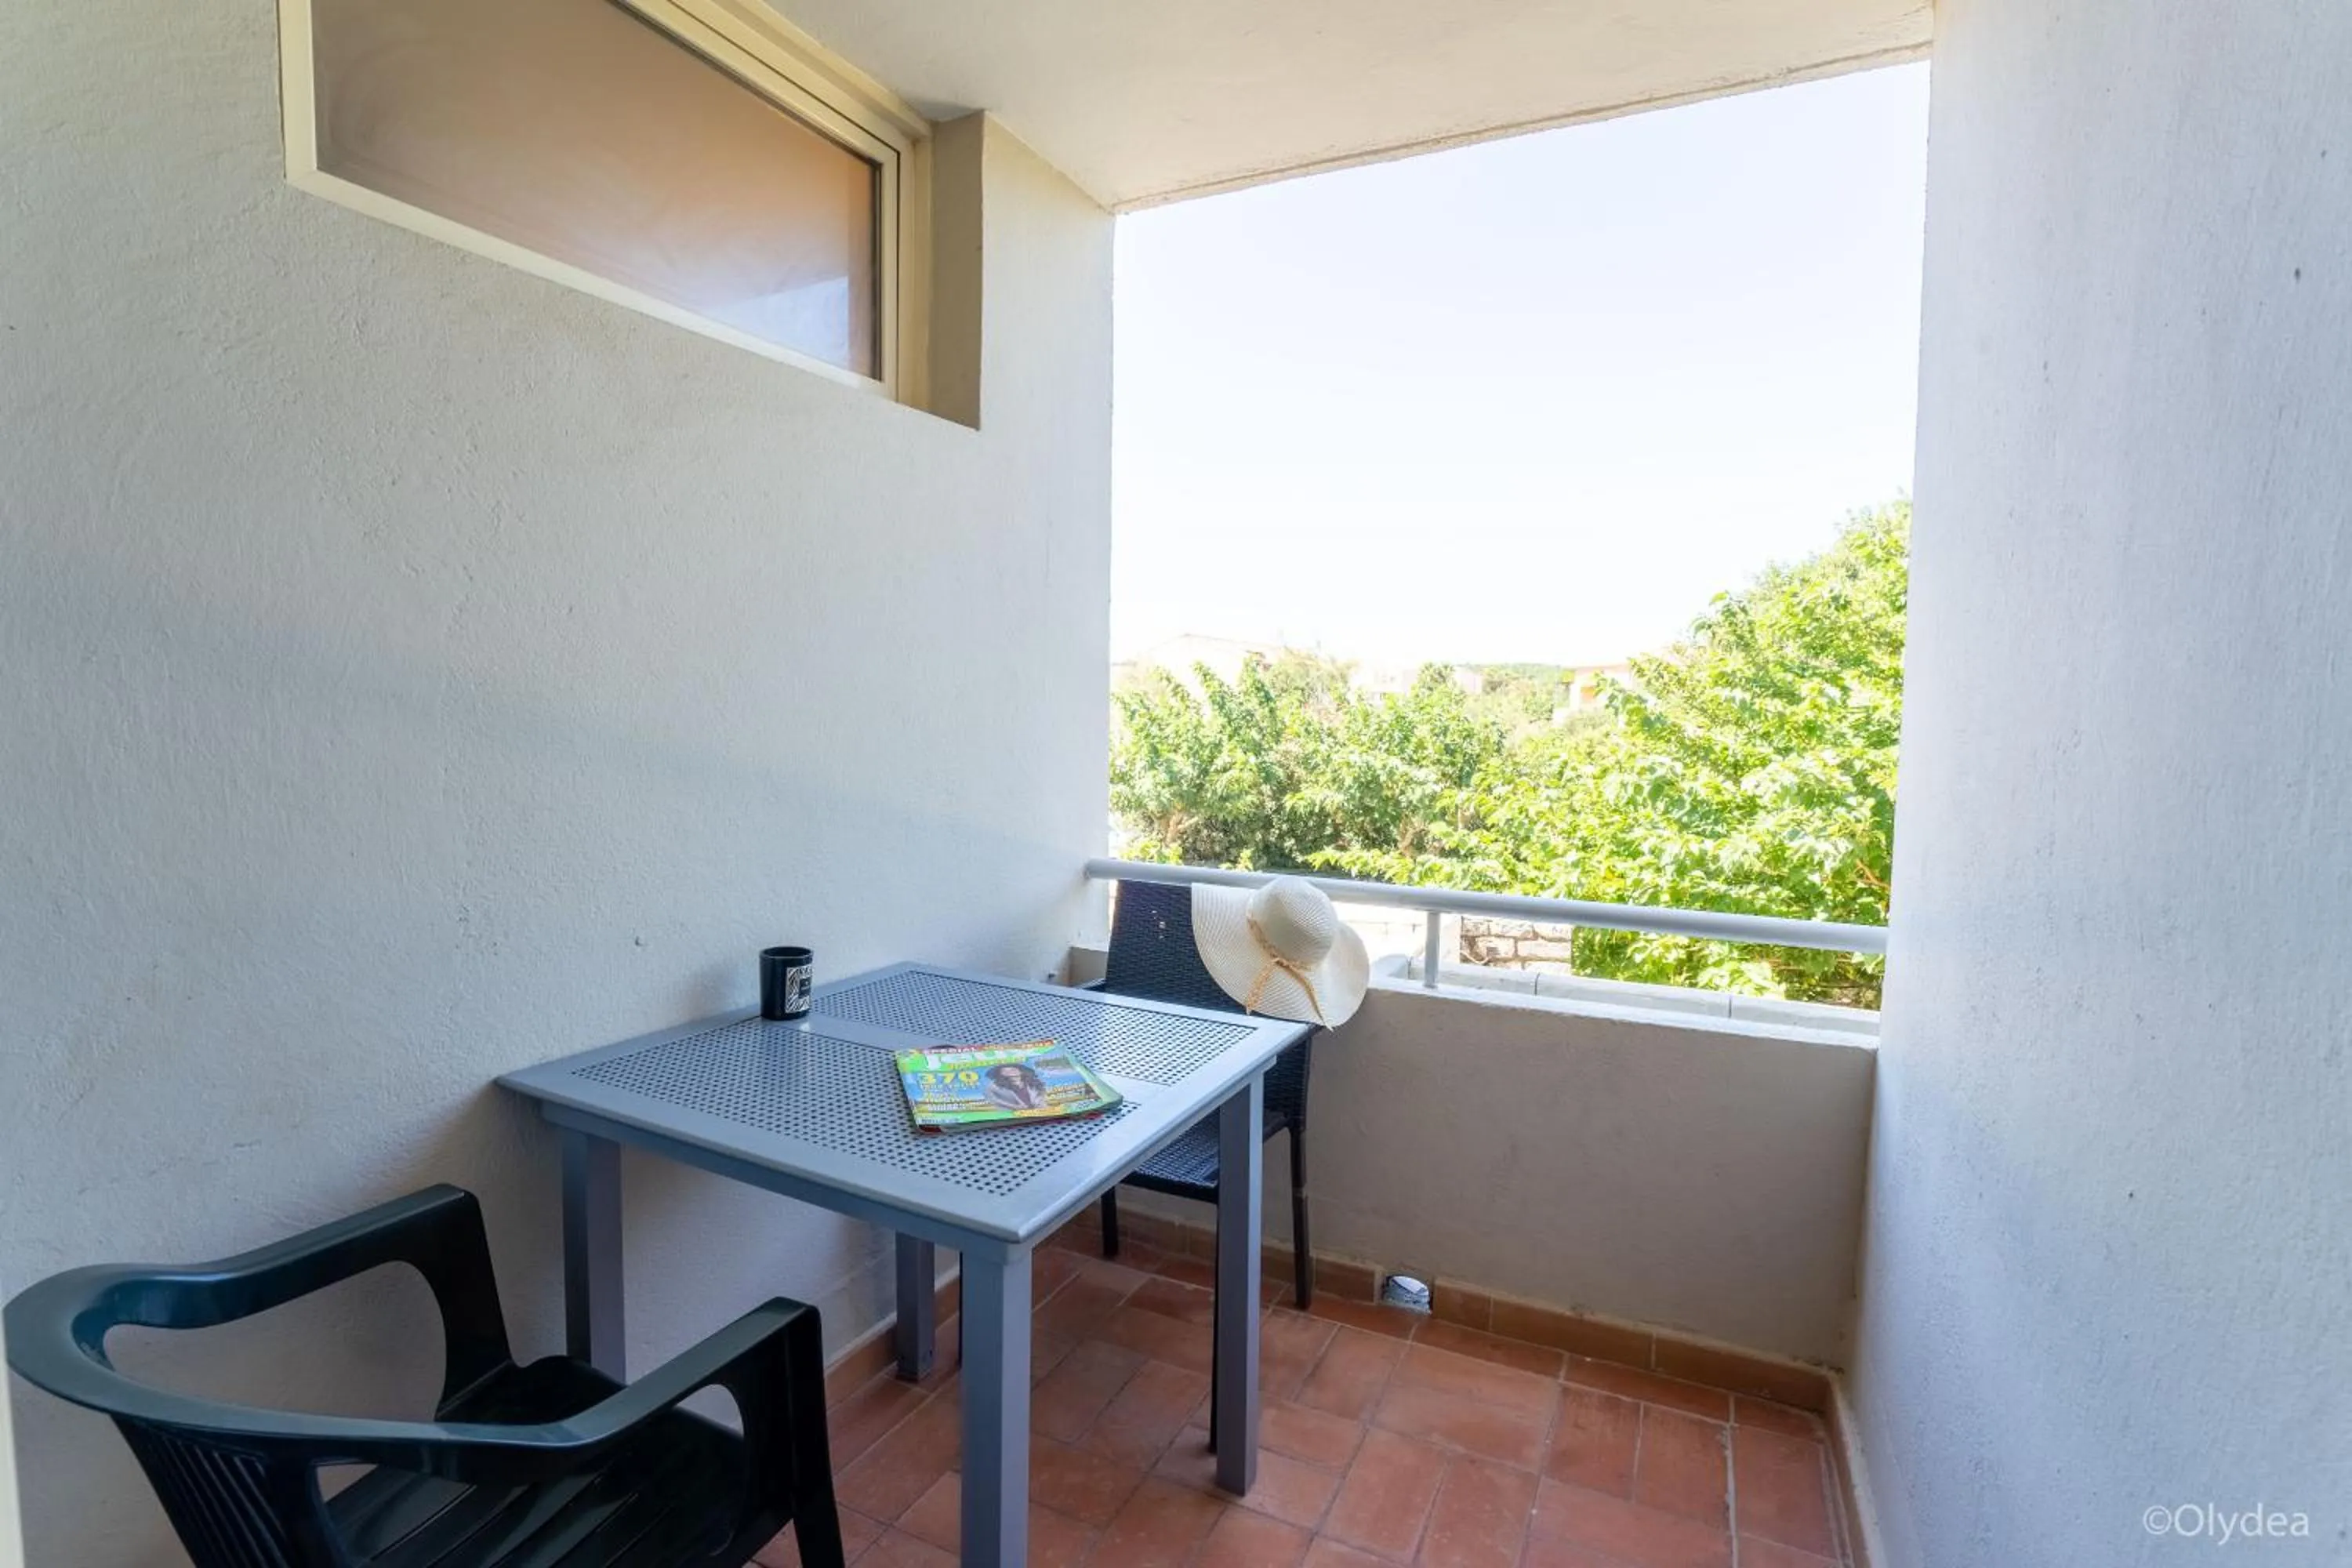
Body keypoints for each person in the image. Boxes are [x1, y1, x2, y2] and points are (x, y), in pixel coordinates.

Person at [983, 1061, 1048, 1110]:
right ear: (1000, 1074)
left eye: (1013, 1070)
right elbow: (993, 1100)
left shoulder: (1033, 1083)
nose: (1009, 1072)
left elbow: (1041, 1096)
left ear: (1021, 1072)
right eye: (1004, 1071)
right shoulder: (994, 1086)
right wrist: (1014, 1107)